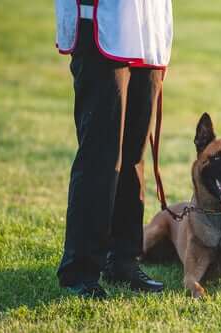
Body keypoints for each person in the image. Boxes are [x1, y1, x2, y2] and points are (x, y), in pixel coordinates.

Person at [54, 0, 173, 298]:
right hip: (103, 22)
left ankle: (122, 260)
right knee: (101, 156)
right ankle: (79, 269)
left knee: (134, 156)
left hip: (147, 28)